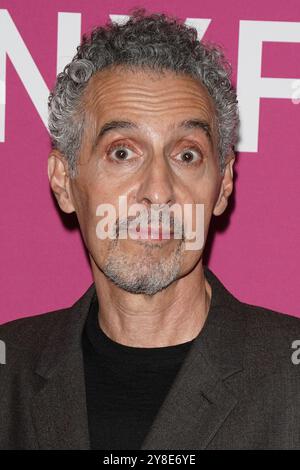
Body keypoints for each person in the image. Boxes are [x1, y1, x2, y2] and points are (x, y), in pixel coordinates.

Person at [0, 8, 299, 450]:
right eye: (122, 153)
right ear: (64, 182)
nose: (158, 192)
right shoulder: (10, 371)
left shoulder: (289, 378)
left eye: (187, 155)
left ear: (223, 186)